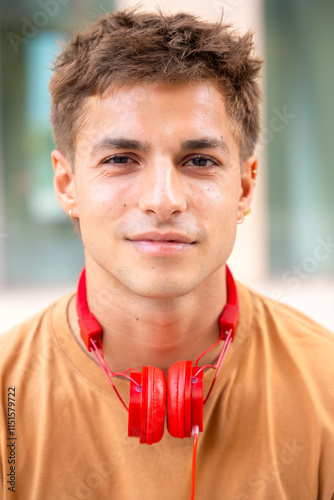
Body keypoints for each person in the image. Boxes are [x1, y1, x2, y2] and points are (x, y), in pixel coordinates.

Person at [0, 7, 333, 500]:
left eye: (199, 160)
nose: (163, 199)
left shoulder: (326, 383)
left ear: (244, 187)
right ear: (67, 184)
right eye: (120, 159)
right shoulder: (8, 395)